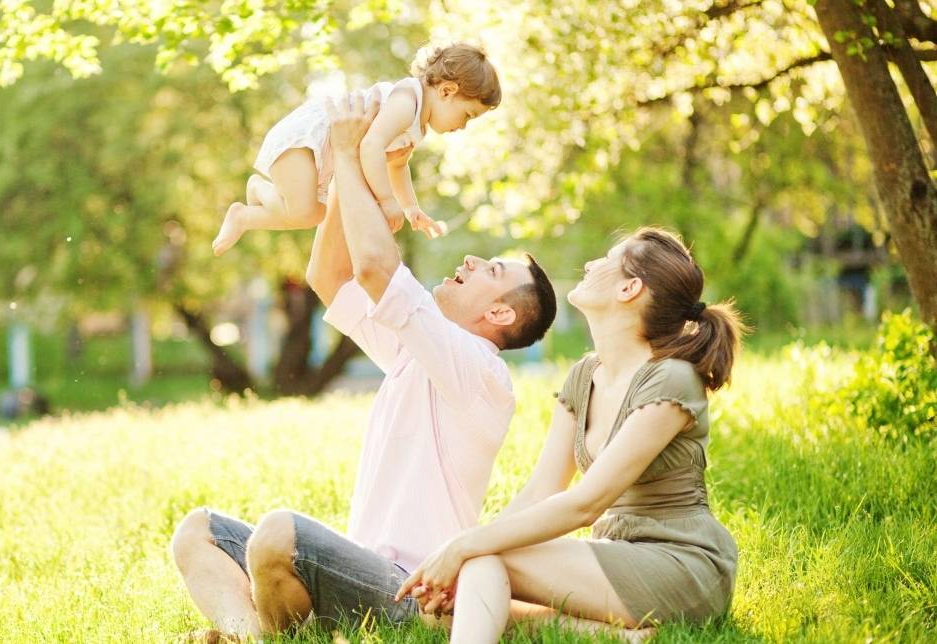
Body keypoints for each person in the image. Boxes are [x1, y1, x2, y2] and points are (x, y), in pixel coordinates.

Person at [171, 92, 557, 641]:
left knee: (279, 534)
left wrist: (353, 154)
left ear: (500, 313)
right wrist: (337, 175)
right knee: (198, 531)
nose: (471, 260)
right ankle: (247, 635)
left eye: (492, 270)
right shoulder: (416, 349)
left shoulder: (479, 372)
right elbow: (330, 277)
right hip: (354, 572)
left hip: (409, 592)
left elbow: (374, 267)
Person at [396, 227, 745, 642]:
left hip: (680, 563)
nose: (591, 264)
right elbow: (540, 491)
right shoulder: (584, 376)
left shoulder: (671, 379)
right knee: (451, 603)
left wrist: (462, 547)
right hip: (617, 554)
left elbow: (586, 504)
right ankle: (615, 636)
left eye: (607, 260)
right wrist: (468, 549)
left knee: (481, 566)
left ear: (630, 288)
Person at [211, 42, 501, 255]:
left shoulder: (418, 125)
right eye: (467, 115)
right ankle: (252, 199)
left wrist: (410, 207)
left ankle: (249, 211)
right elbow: (371, 146)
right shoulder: (407, 101)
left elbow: (398, 164)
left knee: (314, 214)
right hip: (309, 137)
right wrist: (386, 200)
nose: (463, 126)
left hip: (323, 153)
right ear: (447, 91)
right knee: (302, 212)